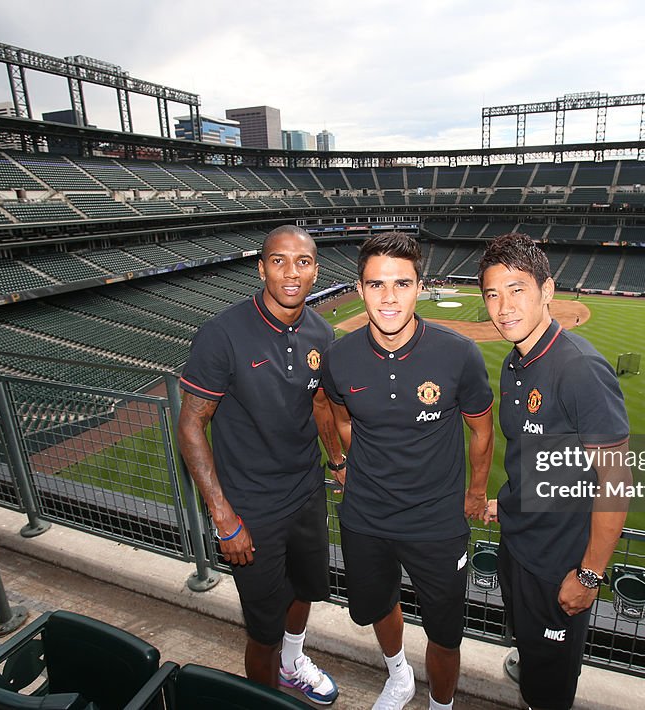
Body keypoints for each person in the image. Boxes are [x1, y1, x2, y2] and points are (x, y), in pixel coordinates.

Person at [320, 232, 495, 710]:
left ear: (420, 286)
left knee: (445, 631)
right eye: (376, 285)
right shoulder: (341, 357)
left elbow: (482, 431)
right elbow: (337, 415)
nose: (389, 297)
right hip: (366, 518)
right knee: (378, 606)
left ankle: (441, 705)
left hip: (437, 523)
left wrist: (476, 493)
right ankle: (398, 676)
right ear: (359, 289)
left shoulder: (459, 354)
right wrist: (345, 463)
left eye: (401, 283)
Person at [177, 225, 342, 706]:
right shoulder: (223, 333)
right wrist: (223, 516)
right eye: (279, 261)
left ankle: (293, 664)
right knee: (263, 629)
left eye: (303, 262)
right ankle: (265, 700)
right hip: (251, 505)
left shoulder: (320, 331)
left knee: (307, 590)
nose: (291, 272)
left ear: (315, 270)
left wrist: (337, 461)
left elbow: (318, 406)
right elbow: (191, 425)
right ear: (261, 267)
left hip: (306, 490)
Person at [478, 232, 633, 710]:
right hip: (518, 548)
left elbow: (617, 482)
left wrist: (589, 576)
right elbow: (534, 457)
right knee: (530, 648)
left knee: (550, 688)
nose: (503, 307)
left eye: (517, 289)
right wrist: (506, 503)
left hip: (559, 565)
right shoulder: (514, 363)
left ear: (547, 291)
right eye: (492, 294)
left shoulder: (581, 368)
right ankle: (530, 664)